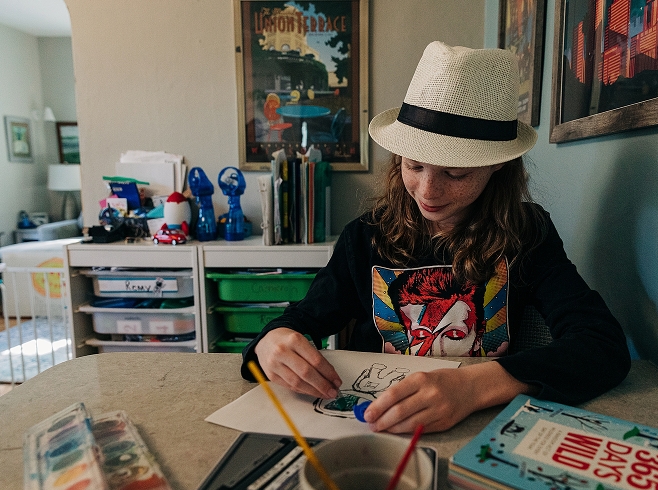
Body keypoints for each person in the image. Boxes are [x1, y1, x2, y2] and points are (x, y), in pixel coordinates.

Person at [241, 41, 630, 434]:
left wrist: (473, 386)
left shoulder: (527, 233)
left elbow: (601, 345)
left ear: (497, 163)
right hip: (373, 428)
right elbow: (302, 319)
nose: (428, 192)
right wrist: (273, 341)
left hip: (476, 428)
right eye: (414, 166)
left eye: (455, 174)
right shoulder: (365, 237)